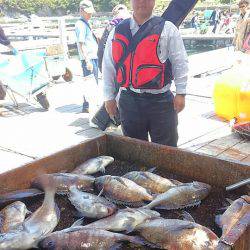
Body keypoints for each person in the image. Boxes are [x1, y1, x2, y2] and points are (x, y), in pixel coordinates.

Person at [102, 0, 188, 147]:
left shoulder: (168, 29)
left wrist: (181, 93)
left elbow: (180, 62)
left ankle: (162, 171)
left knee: (166, 149)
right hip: (129, 100)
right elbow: (108, 66)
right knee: (134, 148)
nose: (142, 2)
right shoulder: (117, 30)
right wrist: (109, 97)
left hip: (161, 101)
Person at [75, 0, 98, 112]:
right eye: (88, 12)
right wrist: (87, 60)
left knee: (92, 82)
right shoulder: (80, 24)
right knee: (90, 82)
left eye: (90, 12)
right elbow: (81, 43)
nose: (90, 14)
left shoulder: (87, 22)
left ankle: (89, 104)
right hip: (88, 58)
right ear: (81, 11)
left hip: (93, 56)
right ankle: (88, 105)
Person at [98, 4, 130, 72]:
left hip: (116, 64)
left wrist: (101, 67)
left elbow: (102, 48)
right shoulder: (135, 23)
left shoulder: (111, 25)